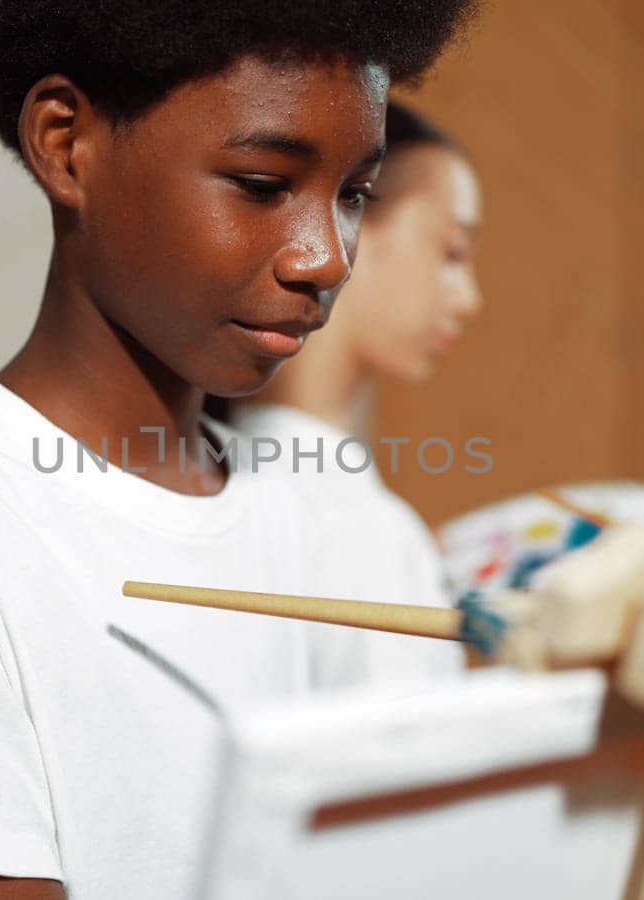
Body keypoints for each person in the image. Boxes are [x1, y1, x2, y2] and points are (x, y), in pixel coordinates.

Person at [0, 3, 477, 899]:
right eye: (265, 183)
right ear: (67, 143)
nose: (327, 258)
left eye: (353, 195)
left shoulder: (321, 516)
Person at [215, 102, 482, 682]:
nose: (468, 300)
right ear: (350, 222)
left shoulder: (206, 485)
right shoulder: (353, 526)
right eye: (452, 252)